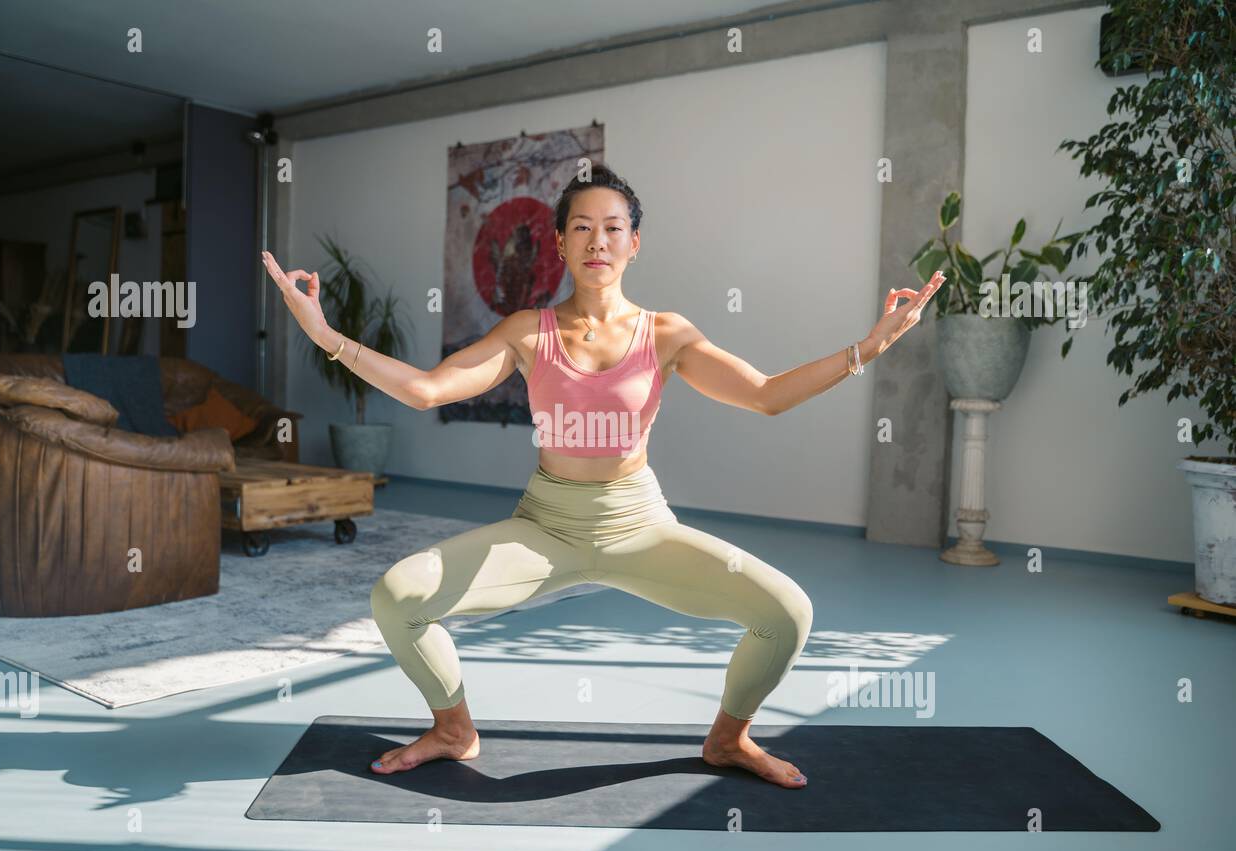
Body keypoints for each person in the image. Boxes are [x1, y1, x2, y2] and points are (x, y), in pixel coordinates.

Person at [262, 165, 944, 789]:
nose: (598, 240)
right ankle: (453, 728)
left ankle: (729, 740)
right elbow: (427, 390)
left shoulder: (667, 333)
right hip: (545, 527)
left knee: (787, 613)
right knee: (397, 595)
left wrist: (871, 346)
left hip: (639, 525)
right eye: (582, 227)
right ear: (560, 243)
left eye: (613, 228)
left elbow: (765, 393)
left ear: (634, 243)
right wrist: (325, 334)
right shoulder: (529, 330)